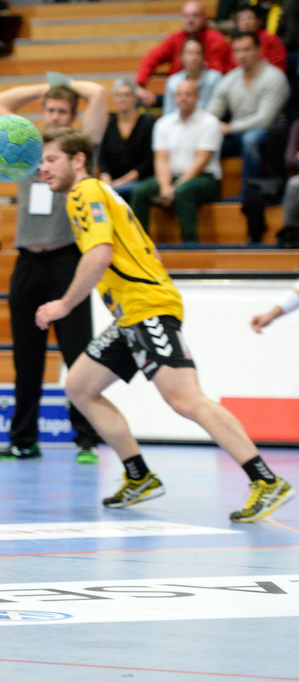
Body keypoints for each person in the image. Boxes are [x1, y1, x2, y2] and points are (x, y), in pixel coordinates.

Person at [35, 127, 295, 523]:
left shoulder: (84, 194)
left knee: (186, 400)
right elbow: (149, 249)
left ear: (79, 160)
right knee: (79, 386)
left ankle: (265, 480)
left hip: (146, 309)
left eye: (52, 159)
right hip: (132, 313)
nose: (44, 169)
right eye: (42, 161)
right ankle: (139, 475)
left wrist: (64, 304)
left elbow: (99, 254)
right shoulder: (105, 194)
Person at [0, 77, 107, 463]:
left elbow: (99, 95)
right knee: (26, 358)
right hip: (27, 262)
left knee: (78, 354)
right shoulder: (28, 153)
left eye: (62, 111)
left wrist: (64, 83)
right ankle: (24, 441)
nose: (55, 117)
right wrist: (45, 87)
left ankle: (86, 441)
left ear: (73, 116)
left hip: (67, 261)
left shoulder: (77, 154)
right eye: (50, 110)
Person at [130, 80, 223, 244]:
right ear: (174, 98)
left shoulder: (210, 122)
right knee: (140, 191)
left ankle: (190, 246)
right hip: (172, 177)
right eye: (179, 94)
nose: (183, 98)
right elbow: (161, 159)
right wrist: (165, 186)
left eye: (188, 94)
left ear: (198, 97)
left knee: (182, 192)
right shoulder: (163, 123)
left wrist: (175, 187)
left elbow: (201, 161)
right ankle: (140, 245)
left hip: (205, 178)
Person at [206, 31, 290, 203]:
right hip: (237, 133)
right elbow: (211, 114)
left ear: (259, 50)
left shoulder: (274, 77)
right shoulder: (228, 79)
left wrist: (229, 128)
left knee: (250, 139)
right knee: (206, 138)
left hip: (270, 133)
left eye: (247, 49)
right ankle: (206, 189)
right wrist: (210, 127)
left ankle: (248, 197)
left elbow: (265, 119)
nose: (241, 55)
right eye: (237, 50)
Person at [135, 1, 234, 109]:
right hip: (178, 93)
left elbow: (229, 71)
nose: (190, 20)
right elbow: (150, 59)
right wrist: (140, 85)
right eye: (186, 16)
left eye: (195, 15)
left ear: (205, 18)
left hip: (208, 92)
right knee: (137, 102)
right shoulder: (175, 39)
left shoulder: (217, 40)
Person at [98, 78, 155, 202]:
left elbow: (148, 162)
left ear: (135, 98)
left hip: (140, 181)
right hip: (113, 181)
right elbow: (103, 159)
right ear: (114, 99)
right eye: (118, 95)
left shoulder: (146, 124)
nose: (122, 99)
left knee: (117, 193)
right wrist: (106, 179)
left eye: (127, 95)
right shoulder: (108, 125)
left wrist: (121, 182)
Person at [161, 38, 223, 118]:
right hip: (179, 123)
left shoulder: (214, 78)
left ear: (203, 56)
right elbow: (168, 112)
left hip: (208, 122)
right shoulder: (173, 81)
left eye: (198, 53)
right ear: (181, 56)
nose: (194, 57)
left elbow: (218, 109)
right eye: (189, 53)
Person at [235, 5, 287, 72]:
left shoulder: (271, 39)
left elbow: (279, 66)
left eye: (249, 18)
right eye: (242, 19)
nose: (246, 23)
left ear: (259, 21)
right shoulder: (234, 42)